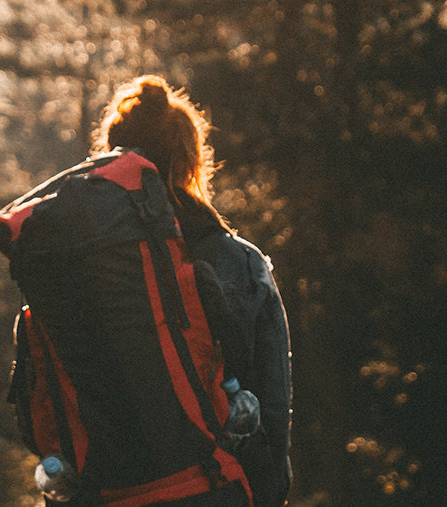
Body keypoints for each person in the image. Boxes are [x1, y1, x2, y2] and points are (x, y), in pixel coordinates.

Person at [91, 74, 293, 507]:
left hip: (109, 489)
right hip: (214, 486)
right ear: (188, 160)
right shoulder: (240, 263)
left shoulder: (82, 263)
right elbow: (271, 409)